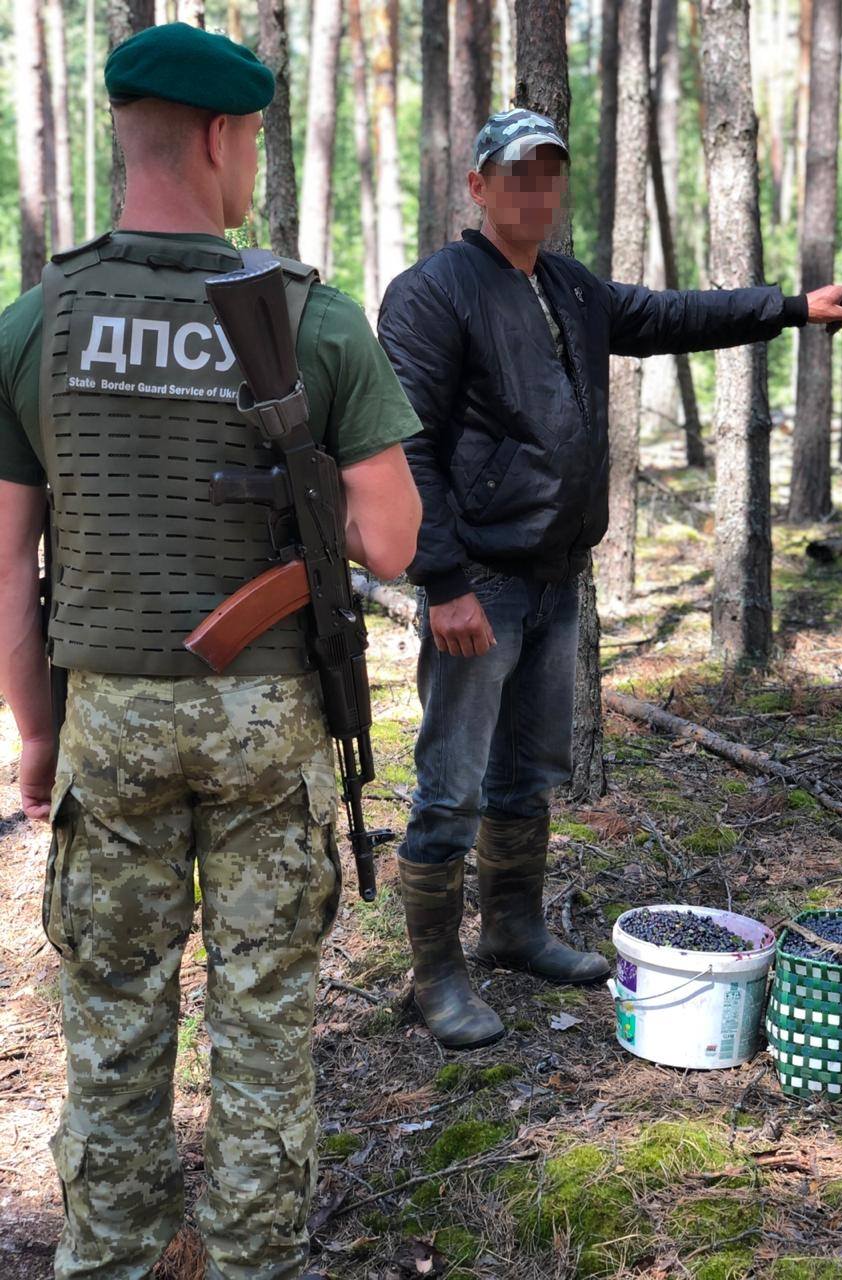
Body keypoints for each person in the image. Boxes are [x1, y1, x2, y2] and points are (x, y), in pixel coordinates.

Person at [0, 22, 422, 1280]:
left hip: (108, 724)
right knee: (262, 1022)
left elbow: (6, 566)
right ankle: (252, 1258)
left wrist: (34, 735)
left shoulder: (40, 318)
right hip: (263, 723)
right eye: (254, 143)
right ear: (226, 137)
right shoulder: (315, 318)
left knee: (114, 1022)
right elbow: (393, 544)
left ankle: (111, 1254)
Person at [378, 108, 842, 1051]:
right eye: (517, 173)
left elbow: (668, 315)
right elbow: (407, 446)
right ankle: (435, 975)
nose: (536, 191)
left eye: (550, 174)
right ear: (479, 186)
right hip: (478, 578)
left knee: (527, 771)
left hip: (559, 576)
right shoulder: (433, 293)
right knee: (450, 782)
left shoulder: (569, 287)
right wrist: (442, 582)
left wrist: (789, 308)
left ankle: (514, 929)